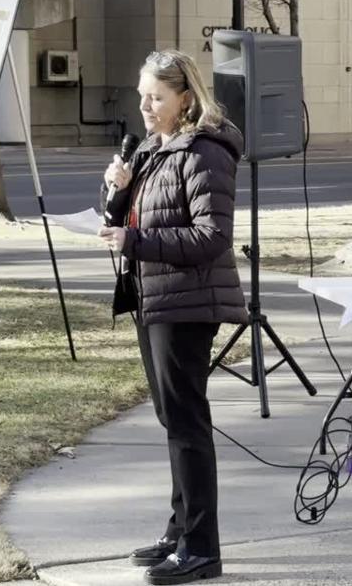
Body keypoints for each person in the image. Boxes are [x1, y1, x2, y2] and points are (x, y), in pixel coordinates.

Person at [98, 48, 246, 585]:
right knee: (171, 419)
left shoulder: (204, 152)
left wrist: (134, 240)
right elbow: (126, 217)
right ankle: (180, 528)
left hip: (187, 303)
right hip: (151, 296)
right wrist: (118, 191)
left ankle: (202, 547)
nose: (144, 105)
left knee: (186, 423)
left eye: (156, 97)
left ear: (185, 98)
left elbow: (212, 237)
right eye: (142, 96)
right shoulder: (151, 149)